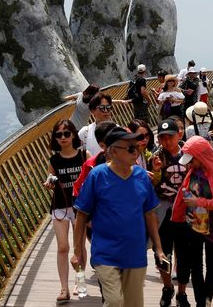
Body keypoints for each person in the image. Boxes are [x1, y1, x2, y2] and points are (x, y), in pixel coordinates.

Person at [72, 127, 166, 307]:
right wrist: (77, 252)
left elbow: (149, 214)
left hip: (135, 253)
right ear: (113, 151)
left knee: (133, 304)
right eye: (131, 149)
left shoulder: (141, 176)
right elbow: (82, 215)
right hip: (105, 253)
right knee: (114, 301)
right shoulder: (97, 176)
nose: (136, 152)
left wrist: (159, 249)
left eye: (137, 148)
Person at [171, 137, 213, 307]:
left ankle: (207, 299)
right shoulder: (193, 171)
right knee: (195, 265)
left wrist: (199, 202)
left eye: (192, 160)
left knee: (212, 266)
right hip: (194, 224)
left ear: (201, 155)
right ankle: (201, 302)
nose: (190, 164)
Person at [147, 119, 190, 307]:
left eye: (170, 137)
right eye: (162, 138)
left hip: (185, 210)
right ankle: (167, 287)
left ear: (179, 135)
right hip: (163, 210)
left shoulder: (189, 154)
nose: (166, 141)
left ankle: (182, 292)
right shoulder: (155, 157)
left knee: (184, 253)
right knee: (162, 252)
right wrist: (155, 171)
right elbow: (149, 186)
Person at [45, 119, 88, 303]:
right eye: (58, 134)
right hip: (60, 206)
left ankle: (80, 281)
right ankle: (64, 288)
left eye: (66, 133)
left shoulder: (84, 156)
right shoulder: (54, 159)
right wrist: (49, 183)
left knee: (79, 247)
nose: (63, 137)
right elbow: (50, 177)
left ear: (73, 135)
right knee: (63, 247)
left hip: (80, 207)